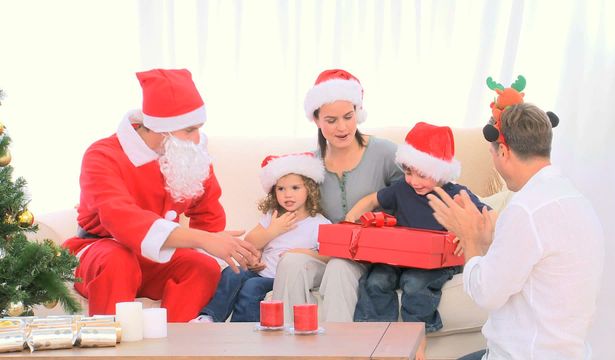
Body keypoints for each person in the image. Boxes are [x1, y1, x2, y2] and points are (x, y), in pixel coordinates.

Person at [62, 68, 259, 322]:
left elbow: (208, 217)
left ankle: (172, 346)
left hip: (154, 259)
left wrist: (226, 247)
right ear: (160, 128)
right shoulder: (103, 155)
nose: (197, 137)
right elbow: (121, 219)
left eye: (199, 128)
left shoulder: (190, 154)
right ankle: (110, 345)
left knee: (204, 268)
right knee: (118, 260)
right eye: (189, 130)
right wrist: (203, 239)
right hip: (99, 252)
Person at [427, 103, 604, 359]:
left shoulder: (525, 210)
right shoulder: (575, 199)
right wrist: (491, 241)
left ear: (504, 150)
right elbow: (534, 266)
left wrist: (470, 240)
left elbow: (486, 294)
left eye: (491, 152)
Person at [345, 122, 489, 359]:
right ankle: (376, 338)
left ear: (441, 172)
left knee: (415, 284)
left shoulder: (454, 194)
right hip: (399, 255)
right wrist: (352, 217)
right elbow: (372, 199)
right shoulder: (402, 189)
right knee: (376, 280)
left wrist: (467, 236)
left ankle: (416, 343)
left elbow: (486, 216)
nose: (414, 181)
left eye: (422, 175)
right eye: (409, 172)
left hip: (436, 261)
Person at [272, 69, 404, 322]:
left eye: (348, 117)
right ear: (317, 120)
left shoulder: (386, 153)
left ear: (358, 112)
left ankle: (337, 351)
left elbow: (412, 197)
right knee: (291, 263)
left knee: (339, 268)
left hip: (370, 256)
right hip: (325, 252)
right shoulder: (310, 166)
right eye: (331, 120)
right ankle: (288, 348)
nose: (342, 128)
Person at [190, 152, 331, 323]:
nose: (287, 194)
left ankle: (243, 333)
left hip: (279, 279)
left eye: (295, 188)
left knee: (252, 287)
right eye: (281, 189)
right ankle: (210, 317)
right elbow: (250, 242)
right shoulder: (273, 215)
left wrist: (302, 253)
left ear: (309, 190)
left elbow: (327, 255)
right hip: (261, 271)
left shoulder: (318, 223)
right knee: (232, 272)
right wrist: (272, 231)